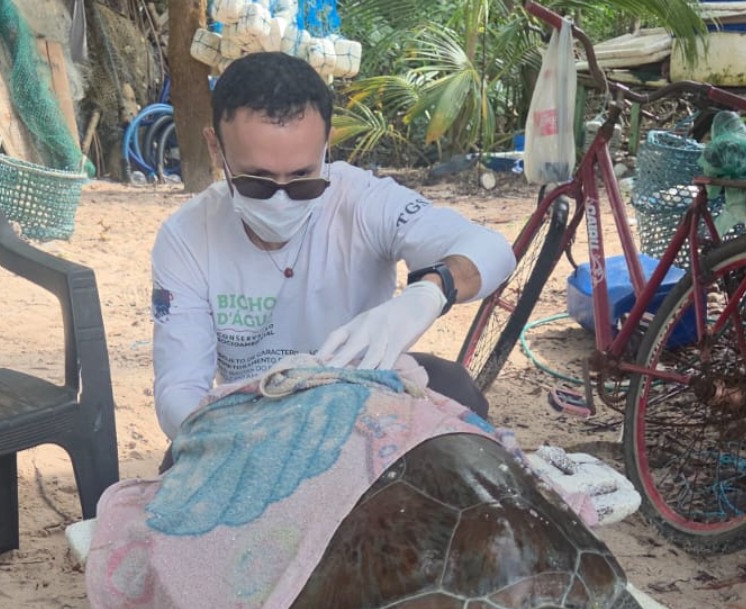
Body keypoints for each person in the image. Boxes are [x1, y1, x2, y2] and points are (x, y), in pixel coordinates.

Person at [149, 51, 514, 444]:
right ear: (215, 148)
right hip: (253, 418)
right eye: (257, 182)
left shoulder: (363, 202)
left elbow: (491, 249)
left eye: (304, 180)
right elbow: (180, 390)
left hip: (364, 405)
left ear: (325, 146)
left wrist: (429, 292)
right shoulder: (187, 238)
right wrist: (231, 439)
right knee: (182, 454)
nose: (281, 201)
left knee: (453, 386)